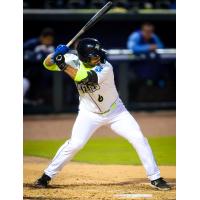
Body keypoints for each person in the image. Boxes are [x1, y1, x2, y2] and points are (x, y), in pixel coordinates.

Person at [34, 38, 171, 191]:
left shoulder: (105, 67)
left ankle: (156, 178)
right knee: (75, 144)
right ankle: (46, 176)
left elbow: (85, 79)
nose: (98, 57)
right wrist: (55, 54)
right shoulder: (72, 60)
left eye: (98, 54)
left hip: (116, 112)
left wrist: (62, 63)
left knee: (139, 138)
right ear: (84, 57)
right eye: (94, 56)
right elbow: (47, 64)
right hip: (89, 113)